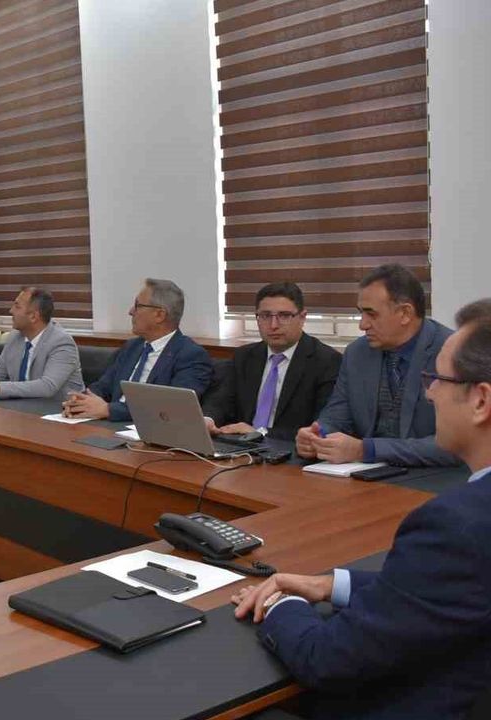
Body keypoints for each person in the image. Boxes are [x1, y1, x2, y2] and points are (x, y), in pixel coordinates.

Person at [232, 299, 491, 720]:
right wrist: (330, 585)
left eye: (438, 379)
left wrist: (279, 605)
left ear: (480, 400)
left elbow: (327, 660)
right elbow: (447, 588)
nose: (429, 393)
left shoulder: (453, 526)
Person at [295, 264, 460, 467]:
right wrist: (317, 435)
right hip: (365, 474)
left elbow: (457, 445)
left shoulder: (453, 353)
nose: (362, 324)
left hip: (435, 477)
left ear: (405, 313)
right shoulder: (357, 353)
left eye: (371, 314)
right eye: (361, 313)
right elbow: (337, 415)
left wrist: (366, 450)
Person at [201, 282, 342, 441]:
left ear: (302, 317)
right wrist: (208, 420)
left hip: (287, 449)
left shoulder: (326, 362)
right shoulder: (244, 356)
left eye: (284, 316)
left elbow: (320, 428)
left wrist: (259, 433)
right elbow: (221, 400)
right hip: (240, 446)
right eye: (265, 316)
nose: (273, 325)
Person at [63, 278, 213, 422]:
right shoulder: (132, 347)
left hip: (146, 431)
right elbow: (103, 386)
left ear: (159, 315)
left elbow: (173, 407)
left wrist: (108, 410)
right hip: (108, 425)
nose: (130, 311)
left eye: (137, 306)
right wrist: (80, 401)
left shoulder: (190, 355)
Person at [0, 287, 83, 399]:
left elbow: (47, 386)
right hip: (22, 407)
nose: (11, 311)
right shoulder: (15, 336)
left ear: (33, 316)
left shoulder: (61, 342)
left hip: (59, 410)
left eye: (17, 307)